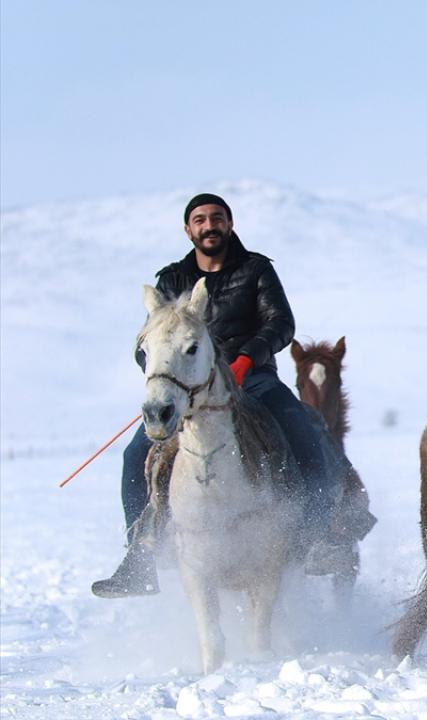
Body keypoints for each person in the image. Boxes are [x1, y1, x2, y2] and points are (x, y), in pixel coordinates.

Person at [92, 193, 347, 598]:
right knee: (134, 455)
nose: (209, 225)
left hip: (252, 377)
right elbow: (150, 342)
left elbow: (281, 323)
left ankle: (319, 538)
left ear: (229, 223)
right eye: (200, 220)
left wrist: (247, 358)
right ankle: (138, 559)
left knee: (303, 432)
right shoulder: (172, 279)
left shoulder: (256, 270)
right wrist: (167, 377)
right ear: (188, 229)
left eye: (216, 218)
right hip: (190, 388)